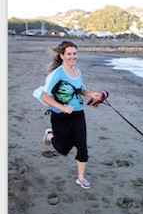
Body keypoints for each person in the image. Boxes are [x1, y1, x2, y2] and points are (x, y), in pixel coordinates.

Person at [35, 41, 103, 189]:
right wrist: (63, 107)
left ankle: (81, 178)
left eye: (75, 53)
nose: (73, 57)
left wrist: (92, 94)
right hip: (60, 116)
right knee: (63, 149)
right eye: (69, 54)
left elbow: (81, 88)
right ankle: (50, 135)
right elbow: (45, 97)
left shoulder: (77, 71)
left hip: (78, 114)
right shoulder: (57, 74)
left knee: (82, 146)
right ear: (62, 55)